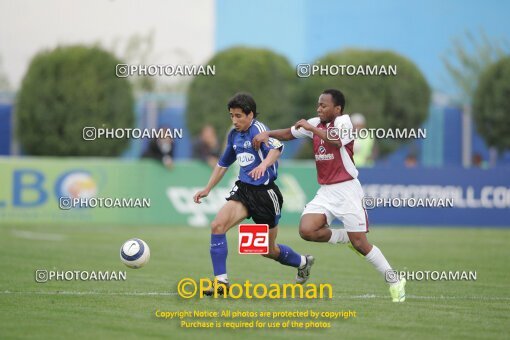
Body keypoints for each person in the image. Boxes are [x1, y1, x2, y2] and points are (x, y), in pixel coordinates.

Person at [253, 89, 406, 302]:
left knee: (362, 244)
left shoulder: (344, 122)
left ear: (337, 108)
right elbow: (289, 133)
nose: (319, 109)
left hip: (347, 191)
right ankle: (347, 237)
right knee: (306, 230)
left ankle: (395, 281)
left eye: (323, 105)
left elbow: (335, 142)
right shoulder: (316, 123)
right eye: (318, 105)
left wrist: (311, 128)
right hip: (326, 191)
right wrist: (268, 134)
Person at [193, 93, 313, 296]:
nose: (234, 120)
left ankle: (303, 262)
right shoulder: (234, 135)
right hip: (244, 191)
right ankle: (221, 282)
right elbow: (223, 164)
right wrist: (207, 188)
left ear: (250, 115)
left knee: (267, 250)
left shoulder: (259, 130)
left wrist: (264, 165)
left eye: (239, 116)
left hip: (266, 195)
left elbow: (277, 149)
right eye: (232, 116)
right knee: (217, 226)